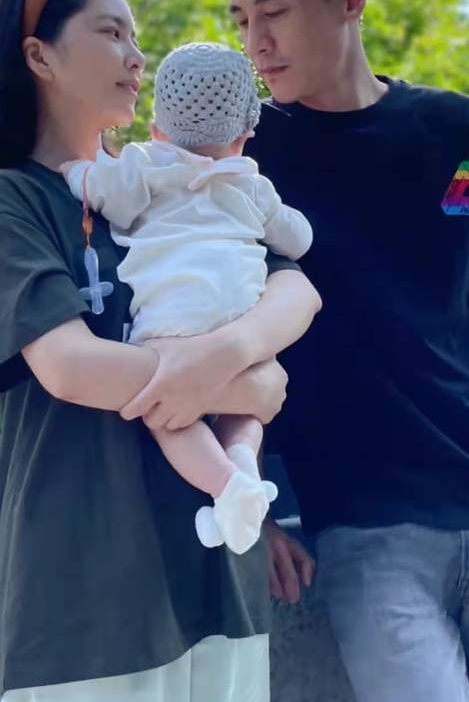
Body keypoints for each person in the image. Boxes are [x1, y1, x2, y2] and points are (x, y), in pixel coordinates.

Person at [215, 0, 469, 699]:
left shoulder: (463, 131)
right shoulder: (246, 156)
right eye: (240, 18)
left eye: (274, 12)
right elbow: (210, 325)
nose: (255, 42)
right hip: (369, 531)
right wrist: (247, 506)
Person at [0, 0, 321, 701]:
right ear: (40, 56)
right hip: (86, 599)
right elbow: (69, 365)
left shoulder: (168, 181)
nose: (136, 56)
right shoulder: (6, 202)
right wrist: (246, 382)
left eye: (137, 38)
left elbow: (297, 289)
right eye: (111, 33)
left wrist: (230, 352)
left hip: (218, 584)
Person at [60, 41, 313, 555]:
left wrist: (74, 171)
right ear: (244, 136)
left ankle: (226, 487)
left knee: (168, 412)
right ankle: (243, 467)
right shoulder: (253, 185)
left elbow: (104, 194)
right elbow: (299, 240)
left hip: (174, 312)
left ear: (157, 129)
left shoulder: (144, 166)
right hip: (240, 306)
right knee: (245, 407)